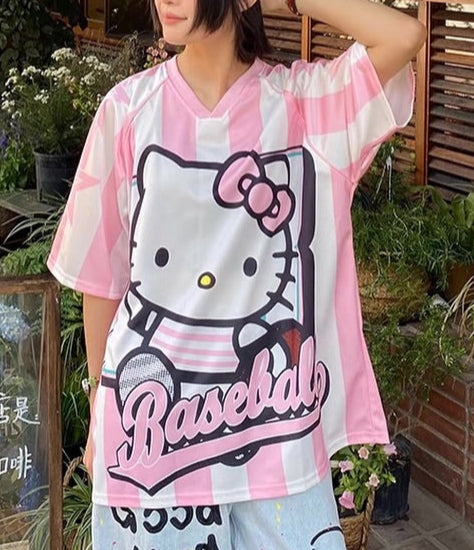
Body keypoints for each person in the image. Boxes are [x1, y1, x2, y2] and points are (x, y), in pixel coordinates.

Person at [47, 1, 426, 548]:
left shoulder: (305, 106)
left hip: (280, 447)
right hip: (152, 446)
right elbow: (101, 281)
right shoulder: (127, 111)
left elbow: (404, 35)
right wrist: (98, 410)